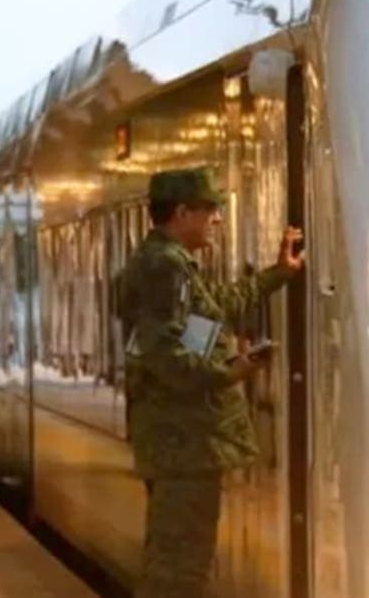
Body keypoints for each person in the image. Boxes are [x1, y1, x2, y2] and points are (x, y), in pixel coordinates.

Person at [116, 167, 304, 597]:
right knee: (179, 570)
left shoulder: (174, 264)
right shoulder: (163, 267)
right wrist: (231, 370)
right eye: (211, 210)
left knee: (182, 562)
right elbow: (166, 356)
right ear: (182, 213)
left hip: (186, 444)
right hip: (184, 445)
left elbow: (212, 311)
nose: (217, 219)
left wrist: (277, 274)